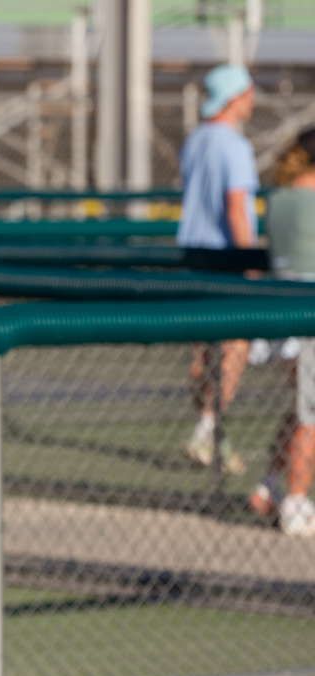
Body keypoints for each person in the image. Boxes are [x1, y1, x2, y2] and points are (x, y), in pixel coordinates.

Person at [176, 64, 258, 475]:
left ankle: (211, 432)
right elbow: (235, 206)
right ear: (234, 98)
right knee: (233, 348)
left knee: (203, 351)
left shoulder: (195, 141)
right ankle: (208, 429)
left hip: (192, 255)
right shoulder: (233, 146)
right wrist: (250, 262)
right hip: (225, 258)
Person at [250, 126, 315, 536]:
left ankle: (268, 487)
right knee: (311, 414)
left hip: (283, 313)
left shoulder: (279, 200)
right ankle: (295, 500)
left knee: (301, 408)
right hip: (308, 315)